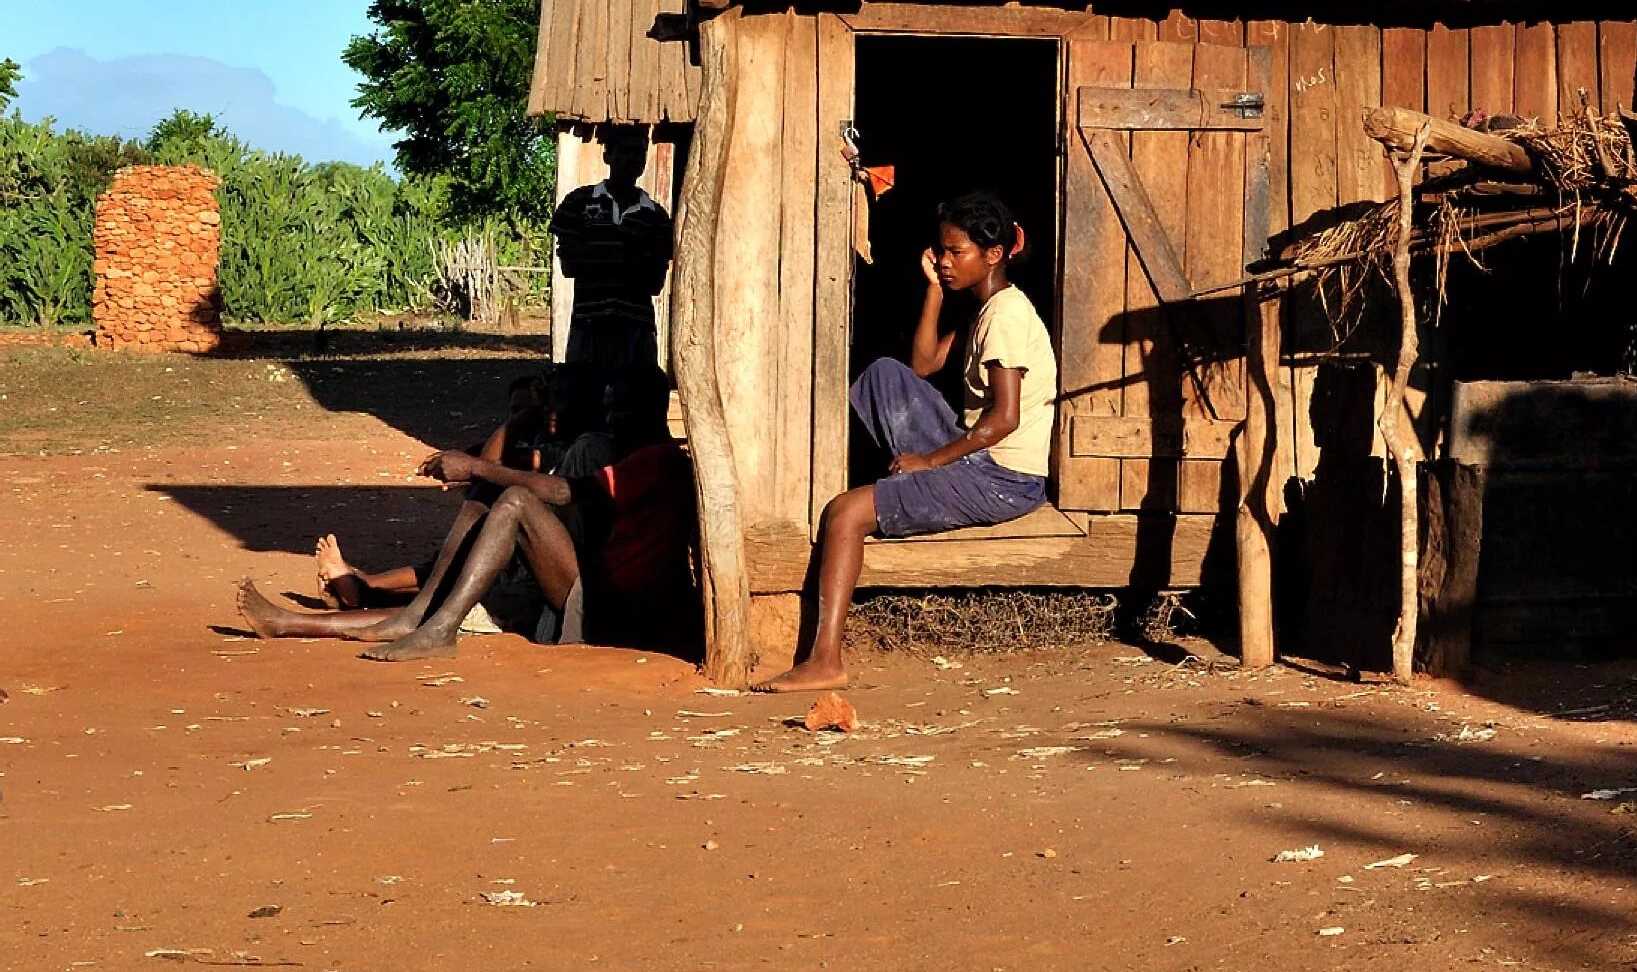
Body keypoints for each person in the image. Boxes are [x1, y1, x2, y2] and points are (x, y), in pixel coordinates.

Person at [755, 190, 1057, 693]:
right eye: (940, 250)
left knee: (844, 513)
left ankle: (826, 659)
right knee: (884, 375)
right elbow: (922, 365)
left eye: (955, 253)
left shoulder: (1006, 316)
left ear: (994, 254)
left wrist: (930, 461)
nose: (943, 260)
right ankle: (898, 488)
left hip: (1004, 479)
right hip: (981, 459)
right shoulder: (986, 309)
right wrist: (935, 289)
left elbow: (1004, 419)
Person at [239, 368, 691, 660]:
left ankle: (422, 622)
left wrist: (477, 467)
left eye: (622, 409)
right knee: (486, 508)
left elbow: (562, 491)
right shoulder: (600, 450)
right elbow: (497, 471)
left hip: (604, 605)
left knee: (509, 504)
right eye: (610, 408)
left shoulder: (647, 460)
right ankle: (413, 614)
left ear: (653, 411)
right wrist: (502, 445)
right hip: (578, 583)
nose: (613, 418)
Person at [313, 368, 565, 610]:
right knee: (442, 568)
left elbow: (487, 464)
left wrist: (529, 414)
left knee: (452, 570)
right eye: (515, 410)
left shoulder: (555, 450)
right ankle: (363, 588)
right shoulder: (534, 440)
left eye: (531, 407)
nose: (519, 417)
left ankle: (364, 589)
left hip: (526, 569)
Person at [553, 125, 675, 368]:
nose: (632, 159)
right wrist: (632, 258)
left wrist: (598, 255)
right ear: (607, 156)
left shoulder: (656, 217)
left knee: (633, 401)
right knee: (584, 399)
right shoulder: (578, 203)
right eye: (625, 151)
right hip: (589, 324)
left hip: (636, 328)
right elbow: (570, 264)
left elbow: (654, 282)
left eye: (639, 153)